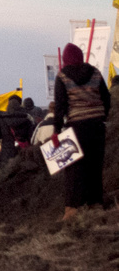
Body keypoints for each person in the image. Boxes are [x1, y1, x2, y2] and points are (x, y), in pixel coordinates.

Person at [54, 42, 111, 220]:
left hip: (76, 126)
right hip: (96, 126)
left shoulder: (62, 76)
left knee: (74, 168)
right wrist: (102, 116)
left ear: (65, 60)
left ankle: (72, 208)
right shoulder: (94, 72)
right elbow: (106, 97)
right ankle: (95, 204)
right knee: (95, 165)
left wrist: (57, 130)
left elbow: (60, 106)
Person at [0, 95, 34, 165]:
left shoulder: (1, 120)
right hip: (23, 152)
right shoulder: (27, 119)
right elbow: (31, 137)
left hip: (6, 153)